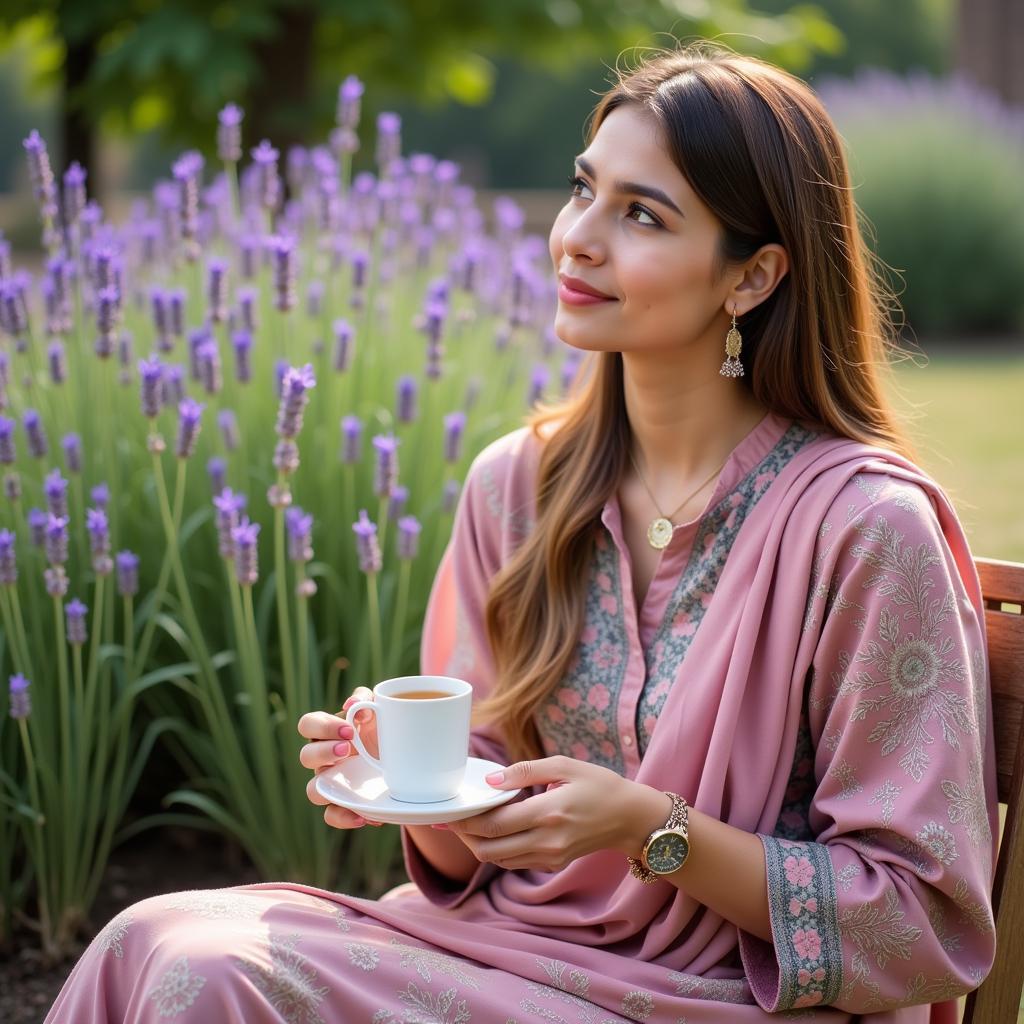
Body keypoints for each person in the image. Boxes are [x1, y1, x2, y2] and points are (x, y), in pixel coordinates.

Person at [46, 42, 997, 1022]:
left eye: (641, 214)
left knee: (209, 975)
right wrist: (409, 778)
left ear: (751, 278)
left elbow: (920, 922)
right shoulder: (519, 486)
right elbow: (475, 844)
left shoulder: (864, 532)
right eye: (583, 190)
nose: (577, 237)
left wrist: (652, 830)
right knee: (149, 941)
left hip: (720, 996)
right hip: (501, 951)